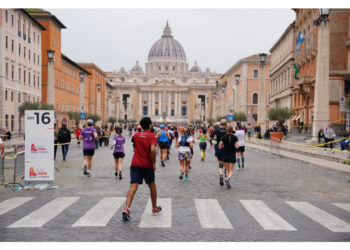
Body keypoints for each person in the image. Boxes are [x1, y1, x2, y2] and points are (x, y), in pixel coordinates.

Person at [122, 117, 161, 221]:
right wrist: (154, 162)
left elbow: (135, 147)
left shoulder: (136, 135)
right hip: (147, 164)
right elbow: (153, 149)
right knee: (152, 186)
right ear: (149, 125)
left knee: (133, 187)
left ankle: (127, 208)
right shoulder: (152, 136)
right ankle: (154, 209)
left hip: (135, 163)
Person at [219, 124, 239, 189]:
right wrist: (234, 147)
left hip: (225, 154)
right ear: (232, 130)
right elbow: (237, 146)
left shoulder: (223, 137)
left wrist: (222, 146)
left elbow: (220, 145)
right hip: (232, 154)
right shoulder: (235, 137)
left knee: (227, 169)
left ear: (226, 130)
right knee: (231, 170)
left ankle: (227, 182)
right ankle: (228, 179)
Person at [210, 119, 227, 186]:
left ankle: (221, 175)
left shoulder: (216, 130)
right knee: (226, 163)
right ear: (225, 124)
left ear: (220, 123)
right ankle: (226, 177)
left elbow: (211, 138)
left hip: (218, 148)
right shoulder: (227, 130)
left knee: (220, 163)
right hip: (226, 148)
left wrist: (213, 142)